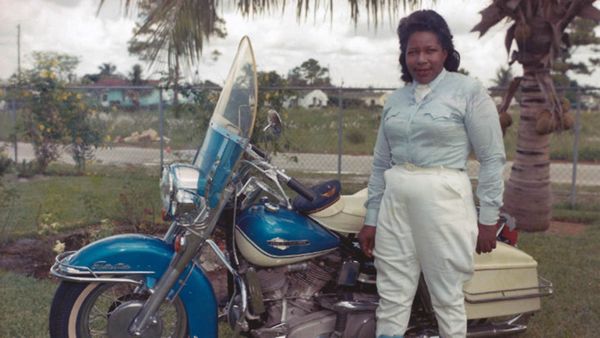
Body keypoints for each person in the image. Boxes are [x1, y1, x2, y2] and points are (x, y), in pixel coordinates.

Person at [357, 9, 506, 338]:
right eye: (413, 52)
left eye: (430, 50)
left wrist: (488, 219)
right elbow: (382, 163)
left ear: (446, 52)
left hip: (445, 201)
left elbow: (492, 158)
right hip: (396, 200)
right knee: (393, 293)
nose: (421, 60)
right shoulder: (395, 100)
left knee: (446, 295)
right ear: (404, 55)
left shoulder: (468, 92)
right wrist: (371, 217)